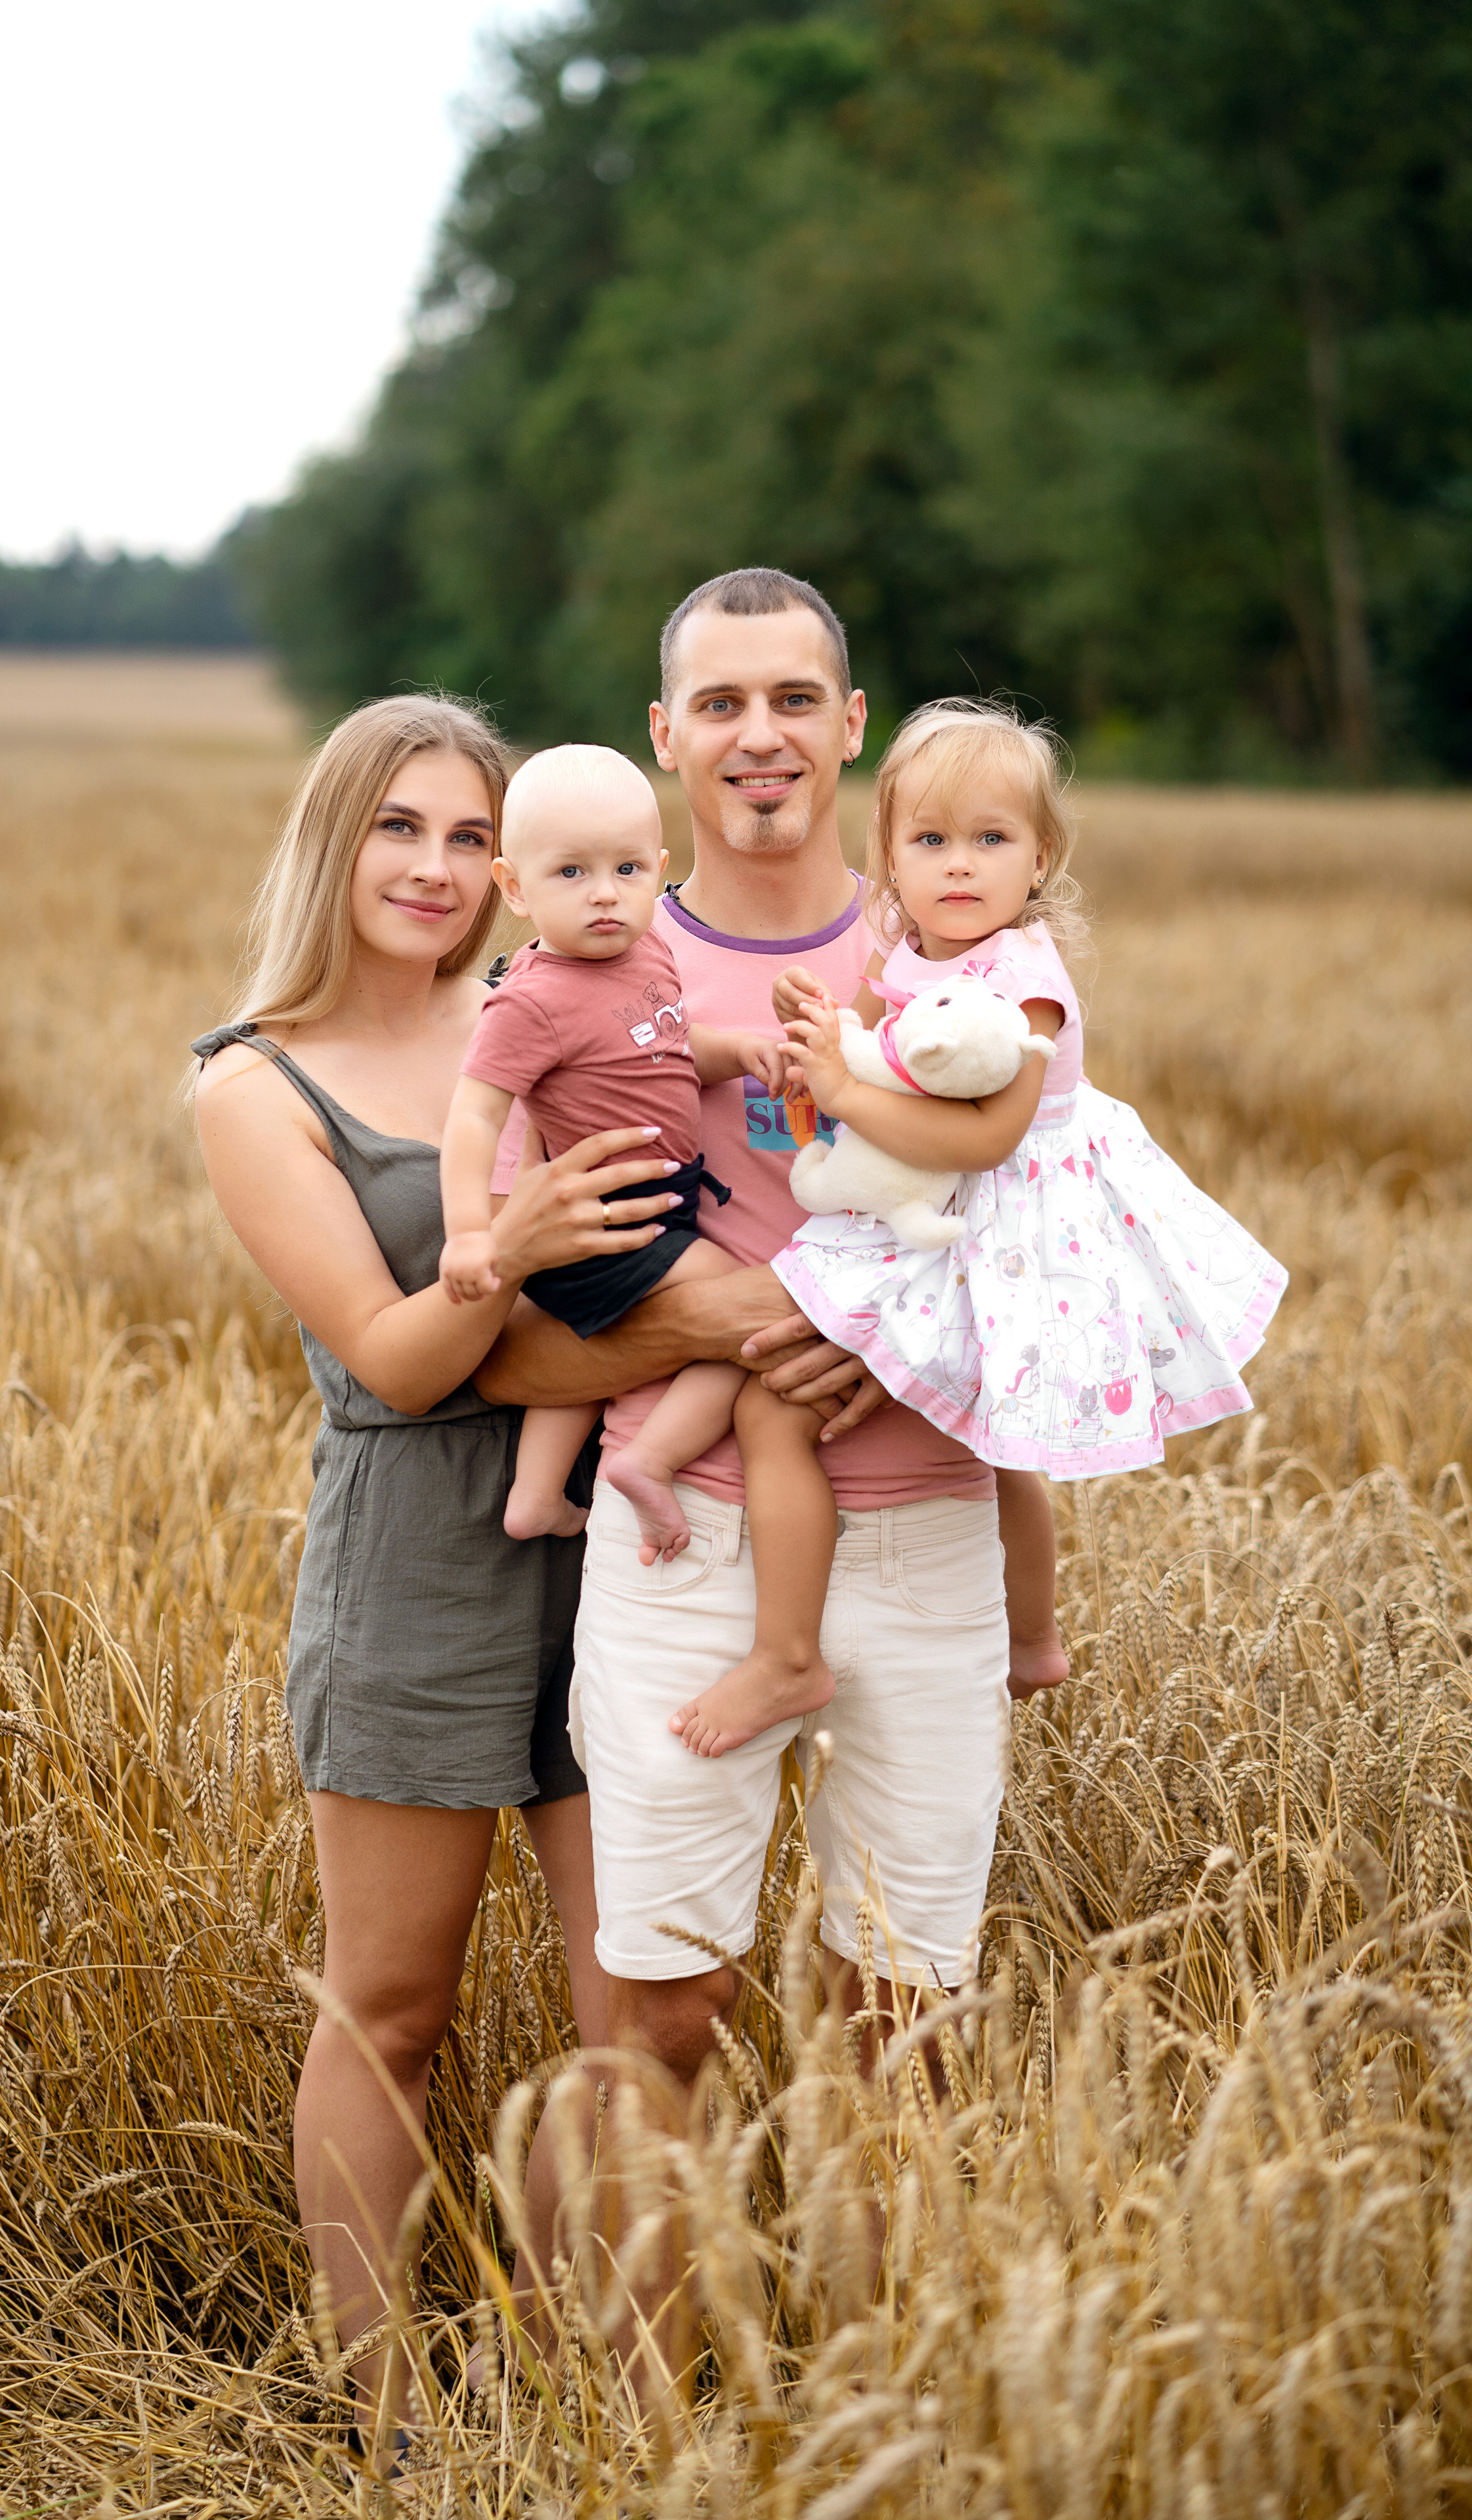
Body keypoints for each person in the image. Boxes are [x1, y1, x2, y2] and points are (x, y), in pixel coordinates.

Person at [471, 569, 1022, 2399]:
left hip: (929, 1530)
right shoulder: (575, 979)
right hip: (684, 1536)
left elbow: (1059, 1252)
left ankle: (880, 2414)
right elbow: (518, 1346)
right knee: (661, 2001)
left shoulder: (952, 939)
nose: (761, 735)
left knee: (901, 2015)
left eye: (796, 697)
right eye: (721, 703)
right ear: (664, 736)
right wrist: (749, 1311)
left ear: (851, 725)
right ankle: (639, 2424)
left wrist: (889, 1332)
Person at [190, 694, 686, 2436]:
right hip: (412, 1566)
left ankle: (589, 2371)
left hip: (619, 1547)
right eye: (402, 827)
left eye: (473, 835)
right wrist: (514, 1257)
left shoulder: (532, 1014)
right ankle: (376, 2390)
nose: (438, 866)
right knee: (389, 2003)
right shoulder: (256, 1082)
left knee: (629, 2003)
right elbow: (391, 1364)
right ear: (337, 839)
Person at [770, 695, 1288, 1486]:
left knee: (1005, 1436)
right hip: (928, 1170)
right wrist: (815, 1027)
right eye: (931, 839)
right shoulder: (901, 946)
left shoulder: (1025, 982)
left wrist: (839, 1095)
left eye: (992, 838)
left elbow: (987, 1141)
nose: (960, 862)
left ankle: (1030, 1618)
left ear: (1039, 857)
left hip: (1020, 1199)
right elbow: (861, 1042)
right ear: (891, 855)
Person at [438, 741, 845, 1746]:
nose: (605, 896)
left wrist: (734, 1050)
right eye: (571, 874)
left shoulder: (647, 953)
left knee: (647, 1339)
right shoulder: (527, 999)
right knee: (745, 1326)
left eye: (626, 870)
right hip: (605, 1223)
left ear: (658, 870)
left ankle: (538, 1496)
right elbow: (472, 1122)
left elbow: (663, 1047)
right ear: (515, 889)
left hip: (657, 1207)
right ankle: (648, 1465)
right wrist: (468, 1238)